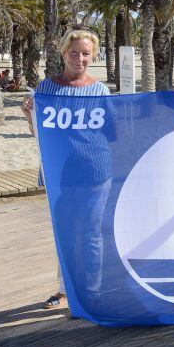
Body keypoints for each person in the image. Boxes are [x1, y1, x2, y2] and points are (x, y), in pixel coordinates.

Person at [22, 27, 111, 309]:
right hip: (59, 174)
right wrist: (28, 116)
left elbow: (112, 134)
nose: (80, 58)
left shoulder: (100, 90)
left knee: (91, 234)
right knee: (65, 233)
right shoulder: (46, 88)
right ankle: (65, 289)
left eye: (86, 53)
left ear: (93, 56)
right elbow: (41, 135)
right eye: (74, 52)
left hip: (94, 174)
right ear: (63, 53)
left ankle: (92, 292)